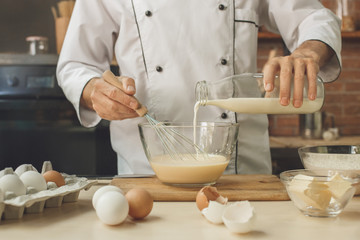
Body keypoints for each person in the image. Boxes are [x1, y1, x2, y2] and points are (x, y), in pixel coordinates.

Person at [57, 1, 341, 175]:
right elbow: (75, 64)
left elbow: (314, 17)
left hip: (242, 174)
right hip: (145, 175)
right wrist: (93, 89)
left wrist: (309, 52)